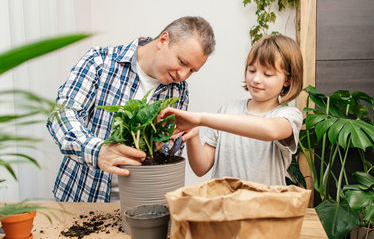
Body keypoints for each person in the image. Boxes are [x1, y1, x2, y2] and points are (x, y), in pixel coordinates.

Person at [47, 16, 216, 202]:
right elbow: (61, 115)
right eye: (182, 62)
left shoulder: (179, 90)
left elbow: (169, 153)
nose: (183, 75)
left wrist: (163, 143)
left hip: (142, 204)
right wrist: (98, 152)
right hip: (83, 199)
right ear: (163, 40)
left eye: (192, 70)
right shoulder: (100, 62)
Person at [158, 34, 303, 185]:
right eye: (252, 70)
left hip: (264, 207)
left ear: (288, 80)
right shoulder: (227, 110)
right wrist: (194, 134)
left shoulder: (288, 116)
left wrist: (201, 119)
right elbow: (200, 168)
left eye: (267, 74)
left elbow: (270, 131)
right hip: (223, 207)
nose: (256, 79)